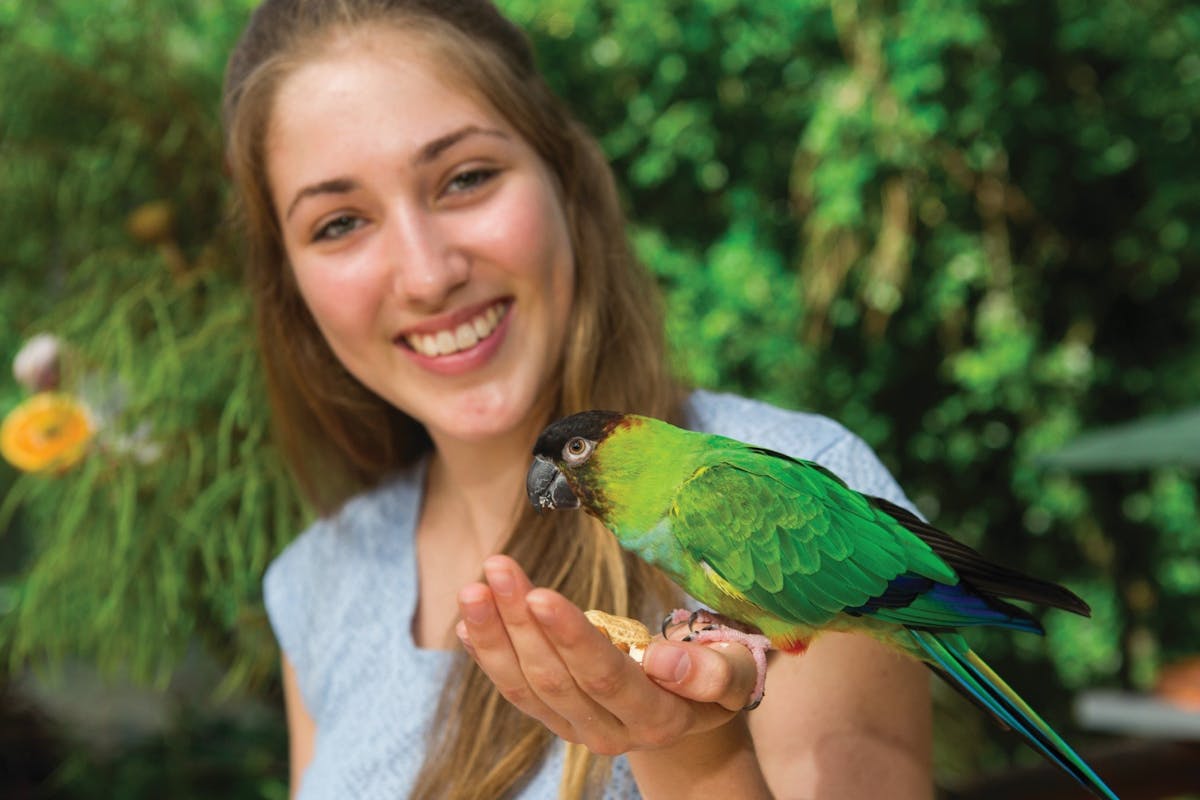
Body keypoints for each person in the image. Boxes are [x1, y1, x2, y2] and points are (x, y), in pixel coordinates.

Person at [222, 1, 934, 797]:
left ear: (566, 179)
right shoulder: (319, 578)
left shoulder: (801, 487)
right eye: (340, 222)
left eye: (466, 178)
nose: (427, 275)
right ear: (289, 284)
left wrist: (689, 751)